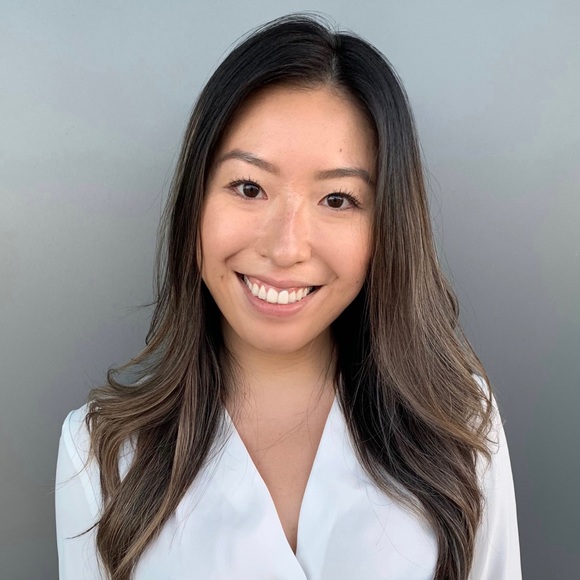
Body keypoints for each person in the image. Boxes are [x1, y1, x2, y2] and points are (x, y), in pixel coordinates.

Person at [55, 14, 521, 580]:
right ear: (194, 204)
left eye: (338, 200)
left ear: (387, 228)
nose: (286, 248)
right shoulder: (100, 453)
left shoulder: (459, 422)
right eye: (249, 188)